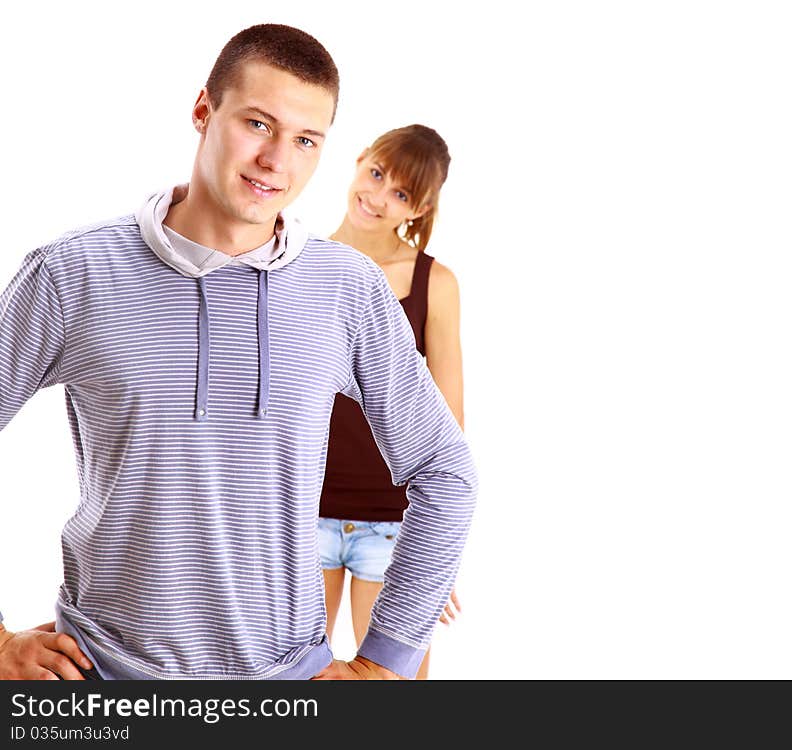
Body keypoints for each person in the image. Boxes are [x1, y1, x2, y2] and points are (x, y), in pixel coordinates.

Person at [0, 23, 476, 681]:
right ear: (204, 111)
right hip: (102, 680)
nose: (277, 160)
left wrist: (385, 662)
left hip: (285, 684)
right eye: (258, 123)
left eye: (306, 140)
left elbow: (445, 471)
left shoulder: (345, 288)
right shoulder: (73, 273)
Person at [318, 125, 463, 679]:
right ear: (358, 162)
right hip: (300, 509)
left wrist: (438, 549)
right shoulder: (299, 262)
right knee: (283, 688)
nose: (378, 197)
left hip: (394, 521)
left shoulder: (435, 283)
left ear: (421, 206)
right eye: (376, 174)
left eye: (400, 193)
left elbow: (449, 421)